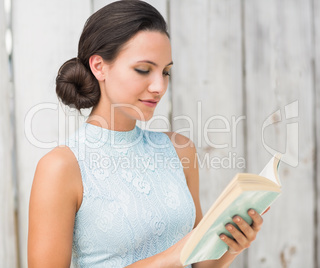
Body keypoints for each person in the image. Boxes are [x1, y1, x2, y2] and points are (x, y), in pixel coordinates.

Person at [28, 1, 265, 267]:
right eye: (143, 69)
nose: (159, 86)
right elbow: (179, 256)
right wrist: (173, 256)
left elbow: (198, 261)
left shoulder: (179, 149)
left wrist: (231, 245)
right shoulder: (61, 167)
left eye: (166, 72)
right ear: (99, 66)